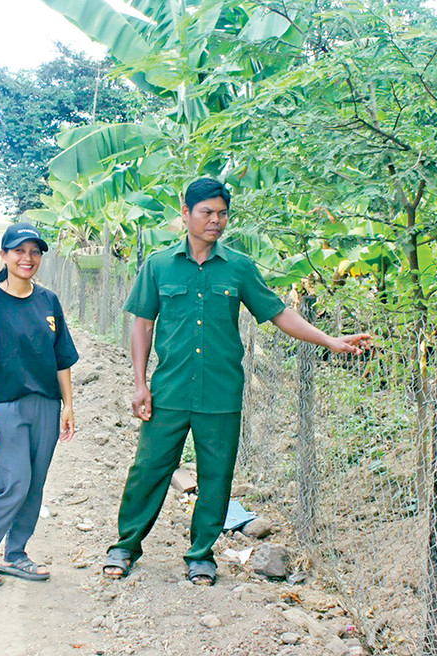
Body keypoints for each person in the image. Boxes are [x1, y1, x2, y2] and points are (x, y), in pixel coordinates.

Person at [103, 178, 371, 585]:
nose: (216, 220)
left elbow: (279, 313)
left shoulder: (239, 267)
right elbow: (142, 325)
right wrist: (140, 384)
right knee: (149, 468)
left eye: (222, 213)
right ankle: (125, 546)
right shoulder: (158, 265)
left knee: (216, 475)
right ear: (186, 213)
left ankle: (200, 555)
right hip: (169, 389)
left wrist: (330, 340)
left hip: (221, 391)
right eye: (207, 212)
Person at [0, 222, 78, 587]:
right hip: (6, 408)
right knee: (15, 483)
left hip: (46, 406)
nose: (27, 258)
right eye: (19, 251)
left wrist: (68, 405)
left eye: (34, 252)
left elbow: (62, 358)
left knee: (34, 485)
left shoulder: (48, 301)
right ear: (4, 255)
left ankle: (16, 554)